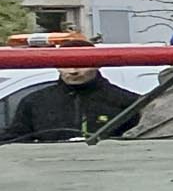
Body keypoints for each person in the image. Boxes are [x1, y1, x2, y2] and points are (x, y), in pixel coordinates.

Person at [0, 61, 137, 143]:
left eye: (81, 65)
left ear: (97, 64)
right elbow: (16, 139)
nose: (73, 71)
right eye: (66, 64)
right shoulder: (34, 102)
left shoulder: (127, 102)